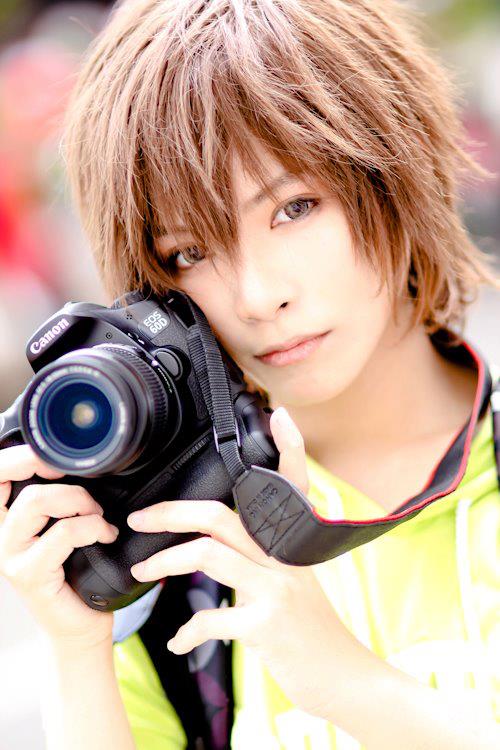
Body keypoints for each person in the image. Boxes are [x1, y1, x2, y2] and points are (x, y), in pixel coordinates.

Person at [1, 0, 499, 747]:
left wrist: (351, 687)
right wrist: (77, 646)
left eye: (294, 208)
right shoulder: (176, 548)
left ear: (395, 172)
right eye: (189, 253)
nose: (259, 297)